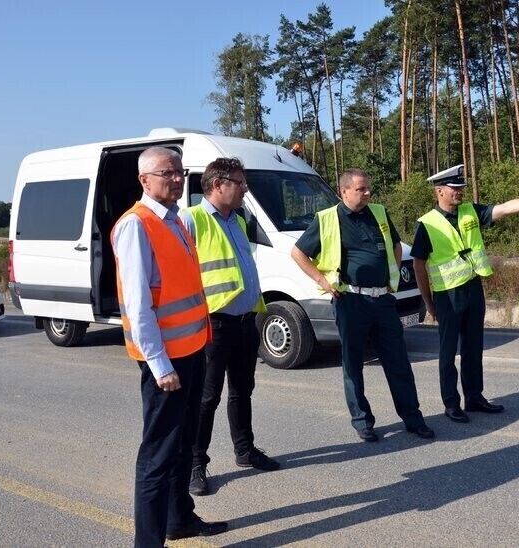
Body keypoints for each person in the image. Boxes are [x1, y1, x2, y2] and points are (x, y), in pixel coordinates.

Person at [111, 147, 227, 546]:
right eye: (167, 173)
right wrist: (160, 365)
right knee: (158, 458)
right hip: (167, 363)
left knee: (183, 445)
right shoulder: (136, 226)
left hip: (193, 351)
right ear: (144, 180)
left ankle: (180, 520)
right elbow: (137, 306)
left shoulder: (177, 219)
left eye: (180, 172)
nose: (177, 179)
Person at [411, 165, 519, 423]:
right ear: (439, 191)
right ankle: (451, 403)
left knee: (473, 348)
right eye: (455, 188)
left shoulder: (470, 210)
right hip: (447, 296)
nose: (460, 192)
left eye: (462, 187)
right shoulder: (427, 224)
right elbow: (419, 265)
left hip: (473, 289)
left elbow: (506, 208)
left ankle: (474, 397)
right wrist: (428, 302)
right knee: (448, 352)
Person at [291, 168, 434, 442]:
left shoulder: (378, 212)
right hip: (350, 300)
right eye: (361, 190)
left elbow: (394, 245)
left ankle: (413, 418)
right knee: (353, 363)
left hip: (382, 300)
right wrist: (322, 280)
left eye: (368, 188)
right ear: (344, 191)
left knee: (398, 362)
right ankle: (362, 420)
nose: (367, 193)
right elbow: (298, 253)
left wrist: (391, 276)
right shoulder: (327, 219)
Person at [178, 157, 279, 498]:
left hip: (245, 321)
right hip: (213, 325)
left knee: (242, 391)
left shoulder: (236, 220)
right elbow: (181, 278)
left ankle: (245, 450)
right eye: (239, 182)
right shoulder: (191, 220)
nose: (245, 188)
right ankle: (195, 463)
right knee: (206, 398)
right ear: (217, 185)